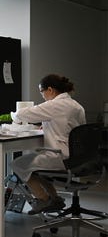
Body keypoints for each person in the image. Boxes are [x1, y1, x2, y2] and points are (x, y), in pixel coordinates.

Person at [10, 74, 86, 214]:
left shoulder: (54, 105)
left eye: (42, 92)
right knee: (35, 167)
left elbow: (24, 113)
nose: (42, 96)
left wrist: (13, 115)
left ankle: (43, 200)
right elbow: (72, 129)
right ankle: (55, 199)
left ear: (50, 90)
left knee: (18, 164)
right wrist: (46, 126)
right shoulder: (77, 106)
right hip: (78, 158)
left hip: (60, 157)